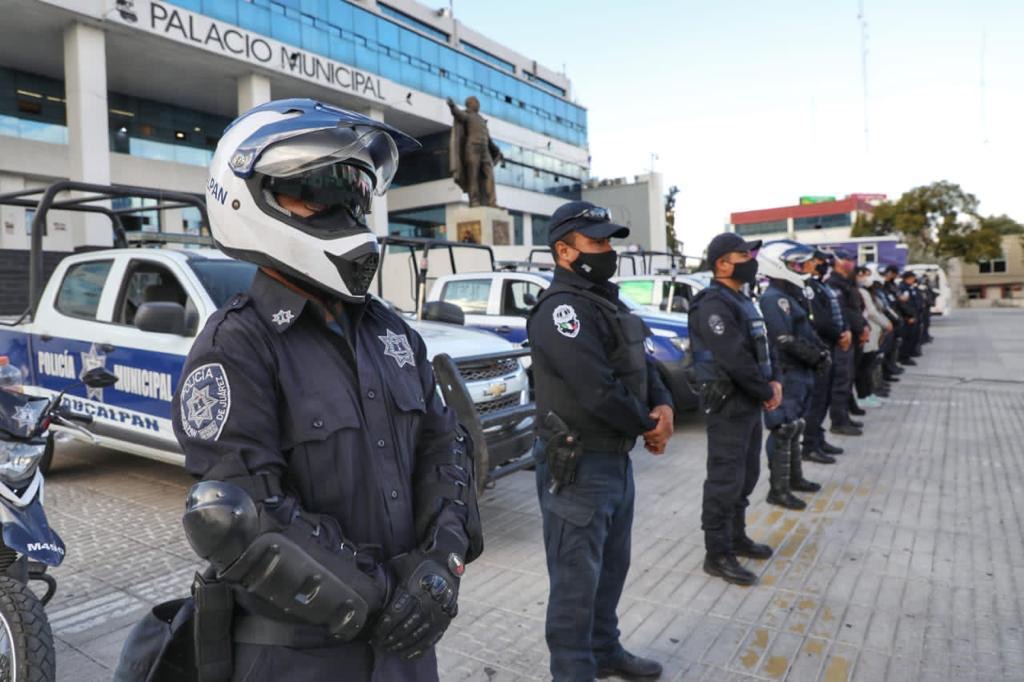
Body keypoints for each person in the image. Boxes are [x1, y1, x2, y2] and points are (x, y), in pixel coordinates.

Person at [172, 99, 483, 682]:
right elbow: (240, 516)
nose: (342, 208)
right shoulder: (236, 345)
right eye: (316, 189)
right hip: (300, 657)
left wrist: (441, 564)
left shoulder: (393, 332)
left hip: (410, 647)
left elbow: (448, 447)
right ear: (250, 196)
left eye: (353, 191)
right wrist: (388, 595)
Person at [527, 200, 674, 681]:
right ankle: (574, 670)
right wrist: (646, 424)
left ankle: (604, 649)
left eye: (610, 241)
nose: (608, 250)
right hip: (579, 467)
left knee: (610, 570)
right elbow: (595, 387)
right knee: (575, 583)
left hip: (614, 463)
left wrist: (666, 407)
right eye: (597, 242)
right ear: (564, 251)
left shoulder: (608, 302)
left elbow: (644, 363)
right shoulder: (561, 310)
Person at [689, 232, 781, 586]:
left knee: (746, 475)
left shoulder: (743, 300)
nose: (751, 259)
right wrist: (765, 390)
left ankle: (737, 536)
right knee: (724, 480)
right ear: (722, 263)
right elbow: (733, 357)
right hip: (728, 403)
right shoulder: (713, 304)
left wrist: (775, 381)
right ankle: (717, 553)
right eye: (743, 254)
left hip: (749, 400)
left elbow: (763, 347)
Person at [757, 241, 832, 511]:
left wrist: (820, 352)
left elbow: (805, 332)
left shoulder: (789, 296)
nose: (800, 269)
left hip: (801, 373)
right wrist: (816, 356)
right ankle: (778, 490)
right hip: (788, 373)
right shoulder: (773, 298)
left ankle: (794, 479)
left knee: (796, 425)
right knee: (783, 428)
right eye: (795, 265)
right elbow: (783, 340)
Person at [801, 250, 847, 463]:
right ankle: (809, 444)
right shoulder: (808, 287)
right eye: (817, 262)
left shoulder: (821, 285)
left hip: (830, 344)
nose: (821, 265)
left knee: (825, 396)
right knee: (817, 399)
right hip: (820, 346)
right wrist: (838, 334)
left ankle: (818, 438)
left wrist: (843, 330)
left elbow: (836, 313)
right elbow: (819, 320)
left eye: (823, 262)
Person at [825, 249, 866, 436]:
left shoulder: (848, 283)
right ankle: (838, 421)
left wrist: (863, 327)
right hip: (843, 338)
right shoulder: (833, 284)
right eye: (848, 259)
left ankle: (845, 416)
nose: (852, 263)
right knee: (841, 380)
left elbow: (857, 309)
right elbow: (843, 312)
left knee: (848, 378)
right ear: (838, 262)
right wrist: (853, 329)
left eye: (852, 259)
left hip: (854, 334)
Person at [854, 266, 892, 407]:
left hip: (874, 332)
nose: (865, 277)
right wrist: (886, 323)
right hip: (868, 332)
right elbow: (871, 312)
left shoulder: (868, 292)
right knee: (864, 368)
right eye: (863, 274)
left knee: (868, 366)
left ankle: (868, 394)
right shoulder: (861, 292)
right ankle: (863, 396)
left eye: (868, 275)